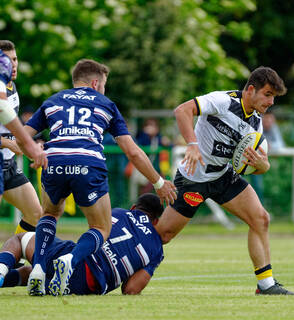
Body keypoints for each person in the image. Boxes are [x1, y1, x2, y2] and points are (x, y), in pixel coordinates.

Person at [24, 59, 176, 296]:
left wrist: (35, 149)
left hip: (54, 159)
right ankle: (70, 260)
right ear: (96, 83)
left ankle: (39, 270)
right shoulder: (105, 103)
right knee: (100, 227)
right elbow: (132, 151)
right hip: (88, 162)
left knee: (50, 213)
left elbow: (23, 136)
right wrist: (158, 182)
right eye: (104, 85)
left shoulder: (53, 101)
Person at [155, 66, 294, 295]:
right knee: (164, 235)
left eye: (274, 97)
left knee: (260, 218)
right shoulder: (222, 101)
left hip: (224, 176)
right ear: (251, 89)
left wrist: (263, 166)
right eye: (268, 94)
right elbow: (182, 110)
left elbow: (259, 164)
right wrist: (192, 145)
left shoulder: (256, 122)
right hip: (194, 178)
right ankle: (130, 246)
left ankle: (266, 285)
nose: (271, 102)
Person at [0, 193, 164, 295]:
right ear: (156, 221)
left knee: (20, 240)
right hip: (89, 286)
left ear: (134, 207)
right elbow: (131, 289)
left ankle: (1, 272)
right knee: (34, 273)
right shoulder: (156, 249)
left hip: (80, 260)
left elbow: (93, 235)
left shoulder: (120, 213)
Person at [0, 40, 45, 235]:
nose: (13, 65)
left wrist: (30, 145)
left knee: (36, 214)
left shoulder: (12, 87)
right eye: (8, 61)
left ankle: (10, 257)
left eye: (15, 59)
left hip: (8, 166)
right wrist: (10, 143)